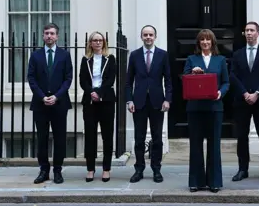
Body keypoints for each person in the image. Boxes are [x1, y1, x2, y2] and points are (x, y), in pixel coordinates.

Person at [183, 29, 229, 193]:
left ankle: (214, 182)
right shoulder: (191, 59)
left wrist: (220, 93)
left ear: (212, 42)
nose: (205, 42)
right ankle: (196, 181)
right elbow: (185, 78)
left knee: (214, 145)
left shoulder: (220, 59)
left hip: (214, 108)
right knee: (195, 144)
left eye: (208, 40)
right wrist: (193, 74)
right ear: (198, 43)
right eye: (202, 40)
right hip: (195, 108)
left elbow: (226, 82)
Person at [125, 25, 172, 183]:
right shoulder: (134, 55)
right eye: (145, 35)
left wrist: (168, 99)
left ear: (155, 36)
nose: (148, 37)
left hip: (157, 102)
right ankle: (139, 169)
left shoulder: (163, 55)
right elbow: (128, 81)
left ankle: (156, 169)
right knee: (139, 138)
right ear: (141, 37)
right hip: (138, 103)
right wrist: (129, 100)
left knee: (157, 138)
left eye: (151, 35)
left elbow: (169, 80)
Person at [27, 23, 73, 184]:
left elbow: (68, 79)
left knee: (60, 138)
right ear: (43, 36)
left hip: (59, 104)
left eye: (52, 33)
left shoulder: (65, 55)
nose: (49, 36)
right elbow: (31, 78)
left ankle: (58, 170)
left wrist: (57, 96)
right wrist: (42, 97)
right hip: (40, 104)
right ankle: (43, 170)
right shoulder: (35, 55)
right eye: (46, 33)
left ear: (57, 36)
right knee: (42, 138)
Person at [230, 21, 259, 182]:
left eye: (252, 30)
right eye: (246, 30)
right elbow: (233, 75)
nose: (249, 33)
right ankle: (243, 169)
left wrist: (256, 93)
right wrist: (244, 93)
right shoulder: (237, 54)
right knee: (242, 136)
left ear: (258, 33)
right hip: (241, 101)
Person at [79, 31, 116, 182]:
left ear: (104, 43)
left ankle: (106, 169)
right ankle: (90, 169)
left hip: (106, 101)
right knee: (90, 136)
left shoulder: (110, 59)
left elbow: (110, 79)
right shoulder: (85, 60)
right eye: (95, 40)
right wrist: (92, 93)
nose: (98, 43)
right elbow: (82, 80)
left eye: (100, 40)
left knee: (107, 136)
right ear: (90, 43)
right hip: (89, 102)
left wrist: (100, 93)